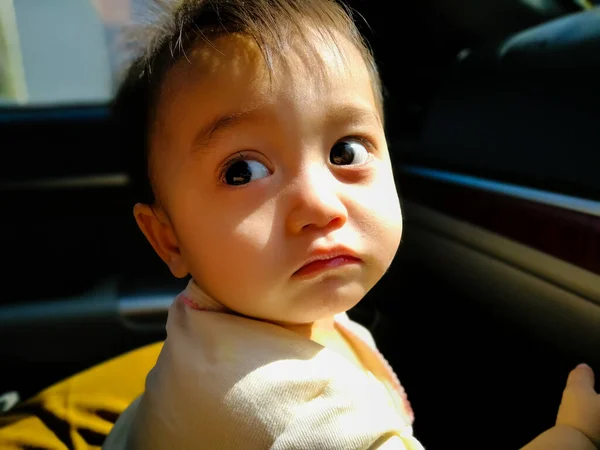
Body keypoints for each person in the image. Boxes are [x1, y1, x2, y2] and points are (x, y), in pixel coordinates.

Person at [104, 0, 600, 448]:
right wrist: (574, 436)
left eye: (345, 151)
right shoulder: (297, 419)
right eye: (243, 171)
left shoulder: (223, 325)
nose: (320, 205)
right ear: (168, 238)